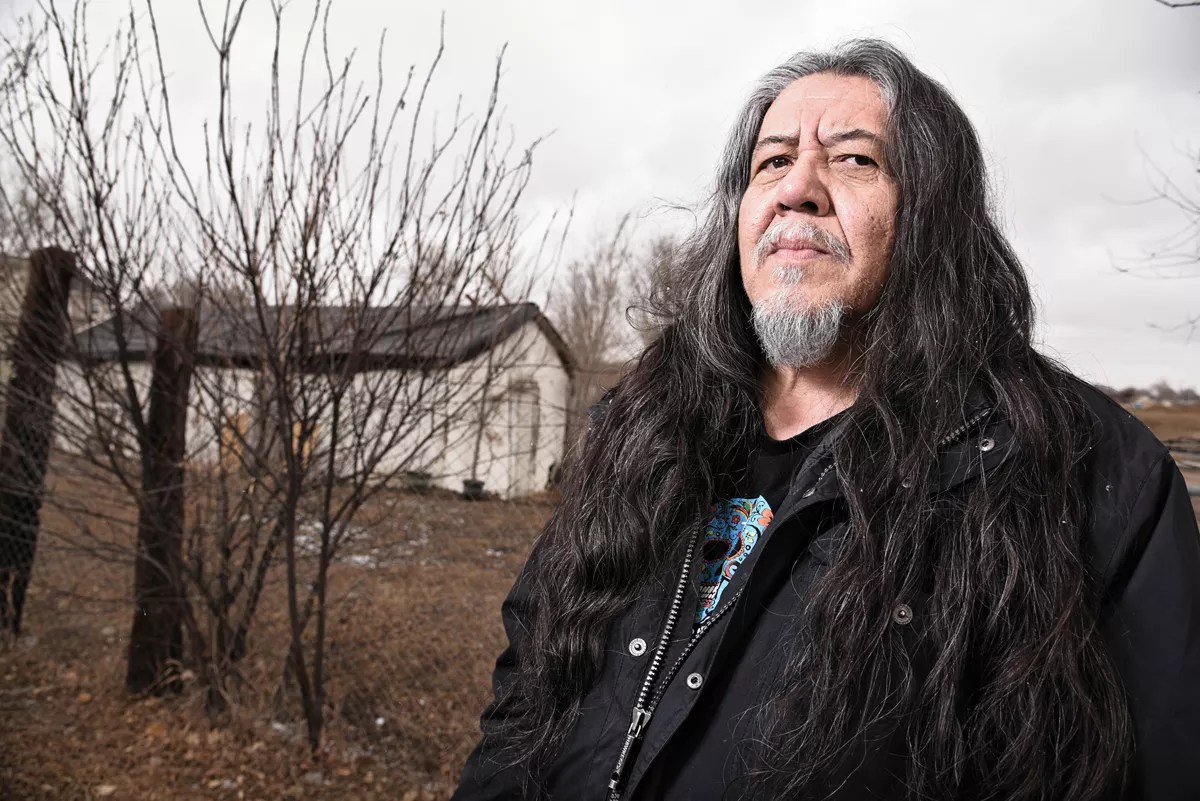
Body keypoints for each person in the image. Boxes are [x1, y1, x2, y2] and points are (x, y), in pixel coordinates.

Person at [452, 39, 1200, 801]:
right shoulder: (643, 425)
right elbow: (528, 694)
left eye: (854, 160)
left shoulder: (1083, 470)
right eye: (773, 161)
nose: (796, 189)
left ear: (934, 215)